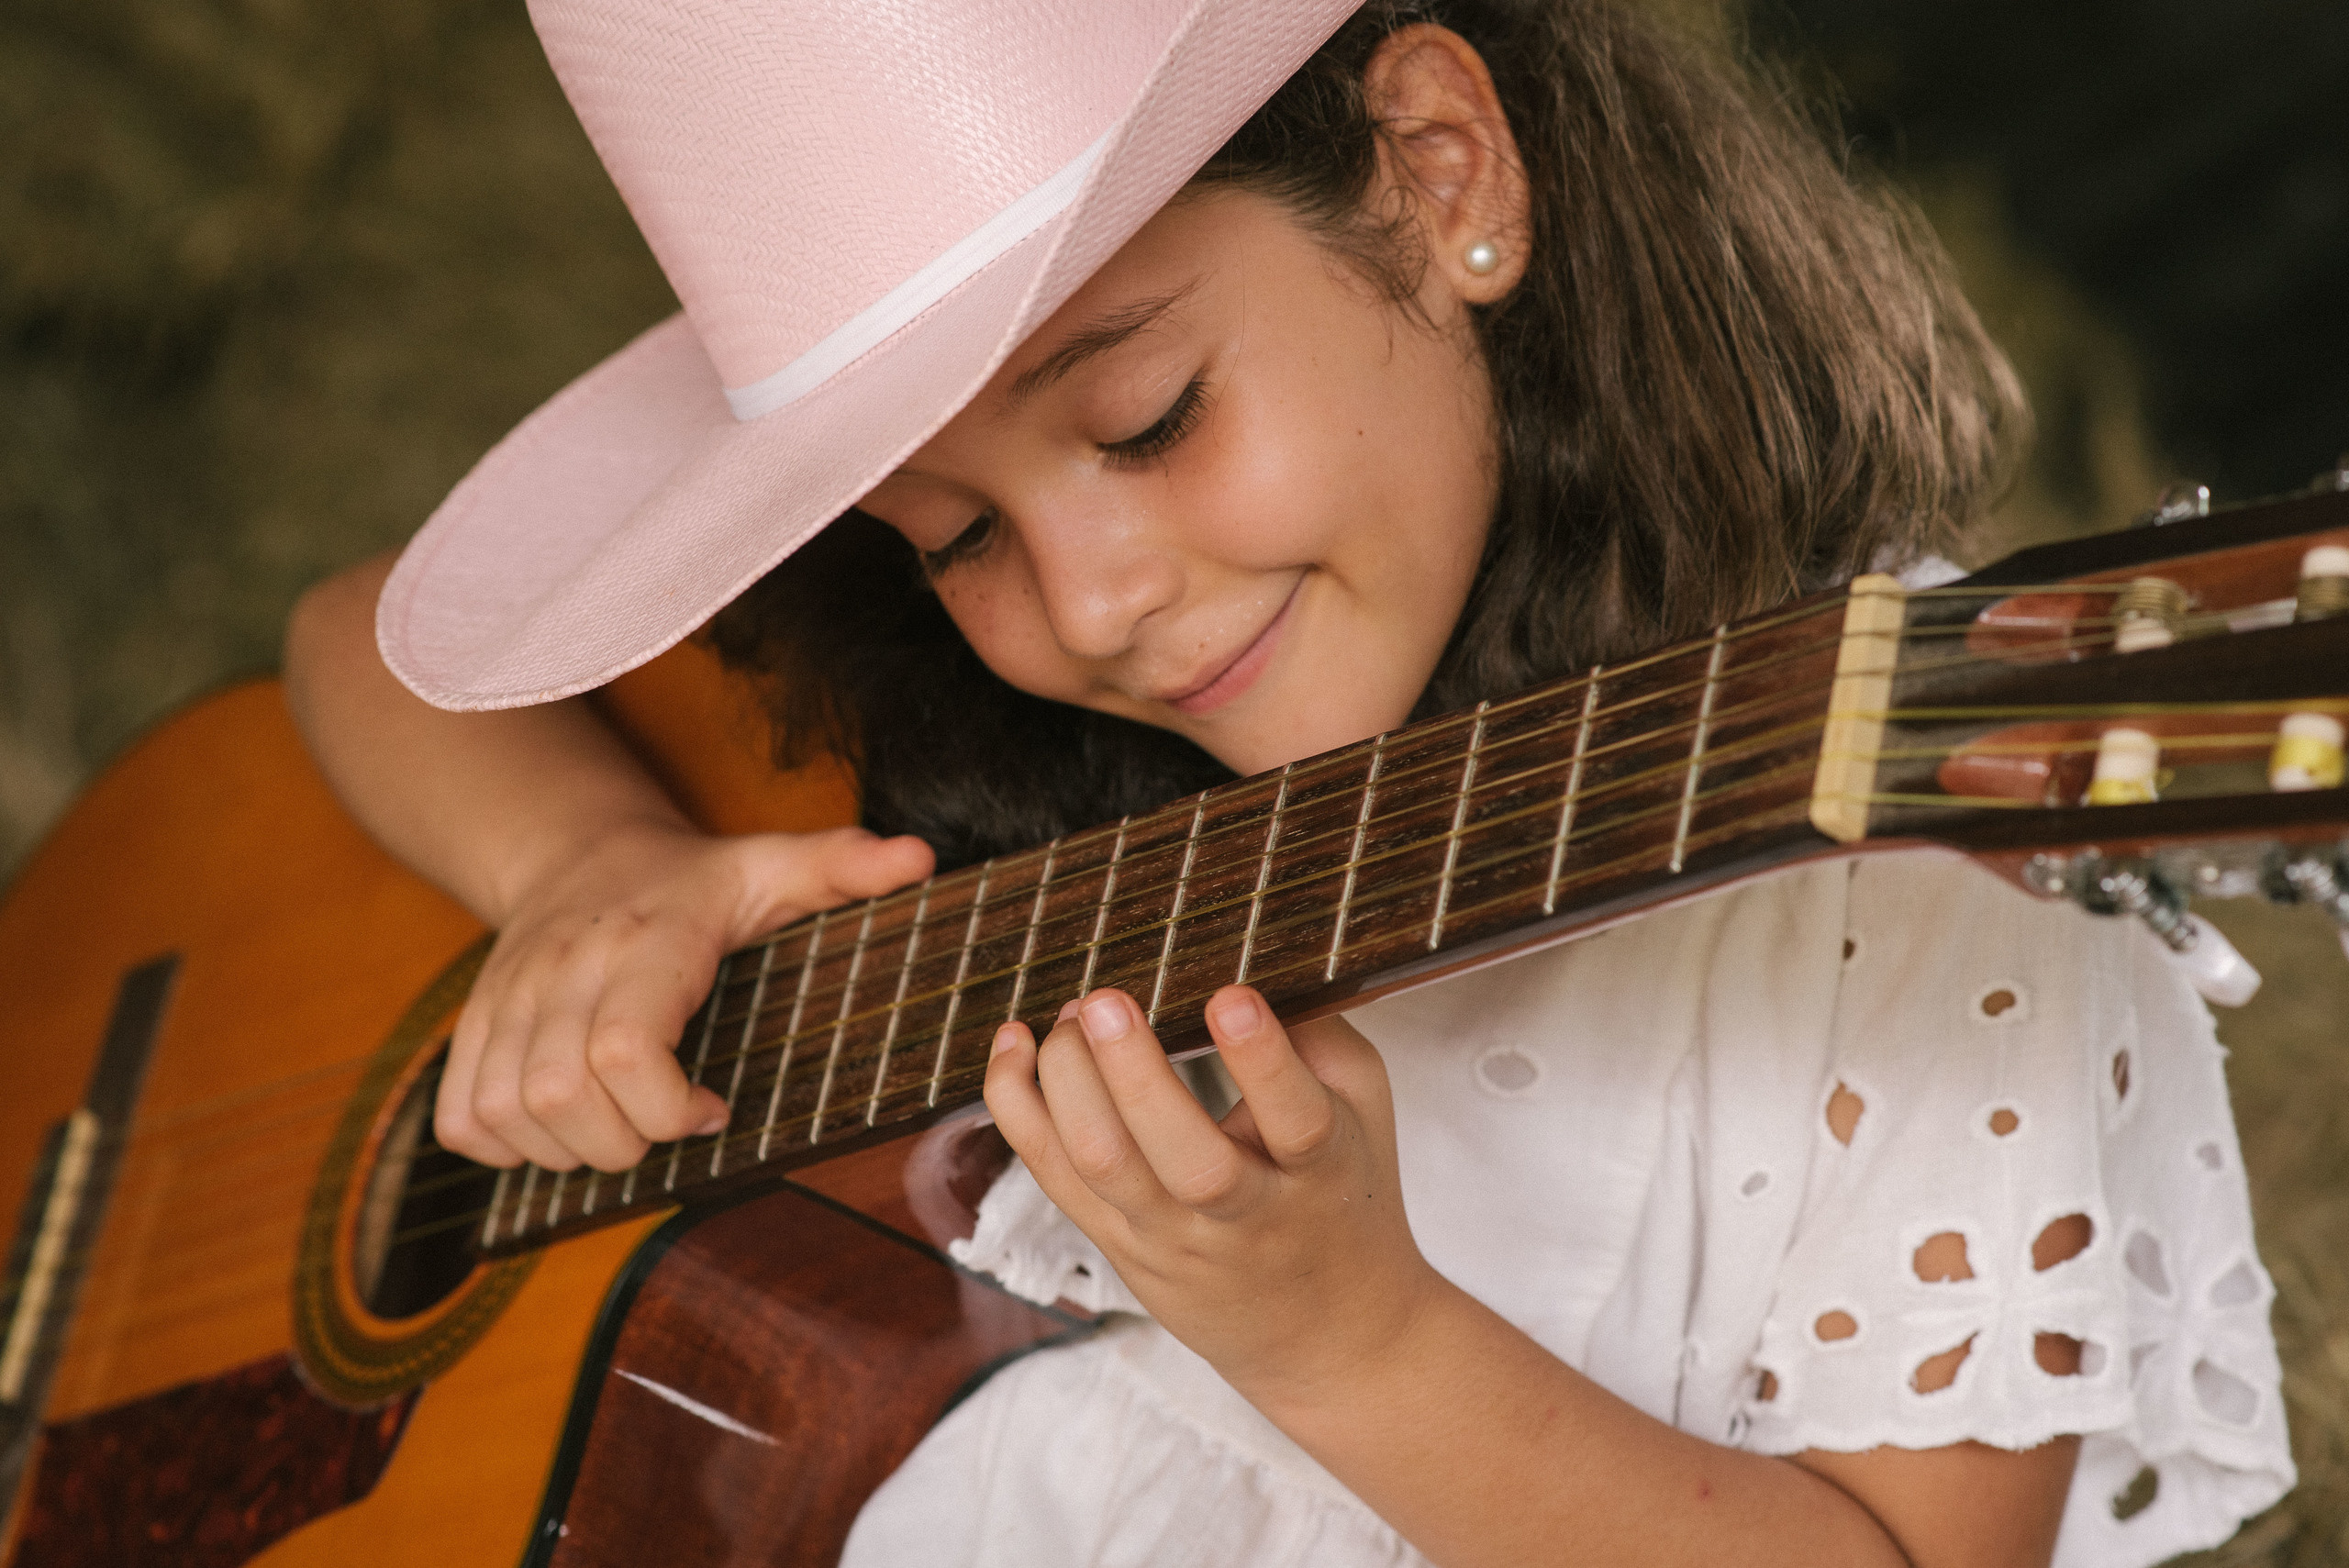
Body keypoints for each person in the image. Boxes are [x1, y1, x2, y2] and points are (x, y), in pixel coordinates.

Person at [284, 2, 2292, 1563]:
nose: (1088, 605)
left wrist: (1353, 1341)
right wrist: (583, 861)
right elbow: (360, 644)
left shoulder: (1912, 867)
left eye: (1145, 421)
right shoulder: (964, 757)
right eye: (951, 537)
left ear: (1438, 172)